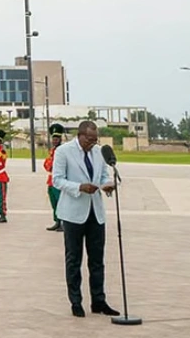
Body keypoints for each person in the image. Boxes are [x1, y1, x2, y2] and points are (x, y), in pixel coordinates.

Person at [50, 120, 120, 318]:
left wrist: (107, 185)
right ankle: (76, 301)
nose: (92, 143)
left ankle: (99, 300)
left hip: (95, 212)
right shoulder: (64, 151)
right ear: (80, 135)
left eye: (95, 139)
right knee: (74, 260)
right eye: (89, 139)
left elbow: (104, 175)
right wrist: (79, 187)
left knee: (97, 260)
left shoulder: (98, 152)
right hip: (73, 213)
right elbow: (57, 179)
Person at [43, 123, 65, 231]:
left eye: (57, 138)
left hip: (59, 180)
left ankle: (63, 222)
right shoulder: (52, 151)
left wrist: (51, 164)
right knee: (54, 202)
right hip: (51, 180)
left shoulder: (63, 151)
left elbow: (55, 164)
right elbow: (46, 165)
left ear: (60, 139)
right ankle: (57, 221)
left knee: (61, 202)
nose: (55, 140)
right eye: (53, 138)